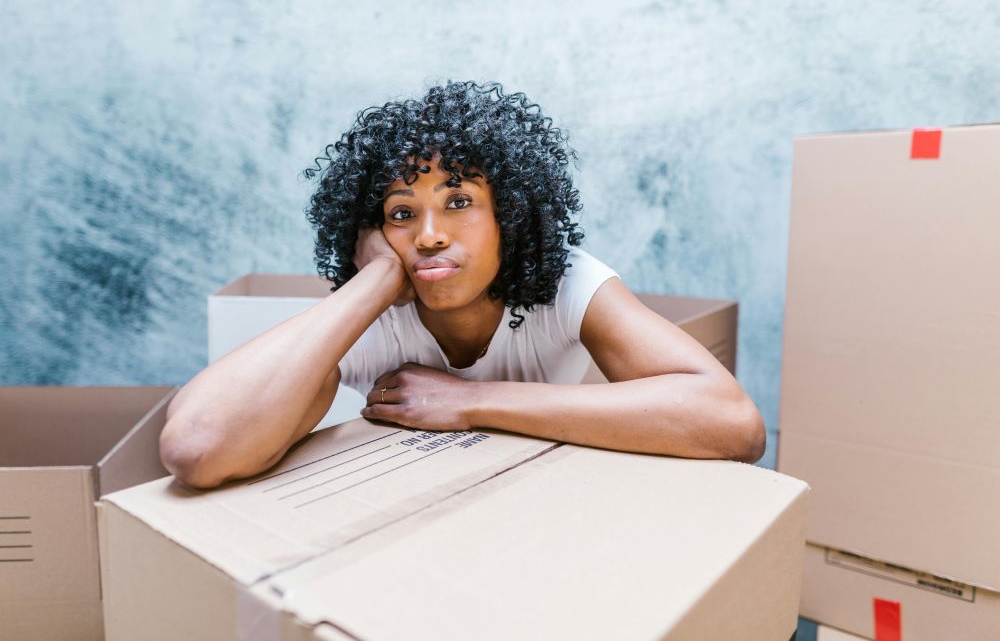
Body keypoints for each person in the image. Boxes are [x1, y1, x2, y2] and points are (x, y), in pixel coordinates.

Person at [160, 81, 765, 489]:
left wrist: (469, 400)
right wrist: (371, 283)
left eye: (458, 201)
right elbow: (197, 448)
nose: (427, 235)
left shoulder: (567, 283)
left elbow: (734, 424)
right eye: (401, 213)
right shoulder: (370, 310)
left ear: (510, 213)